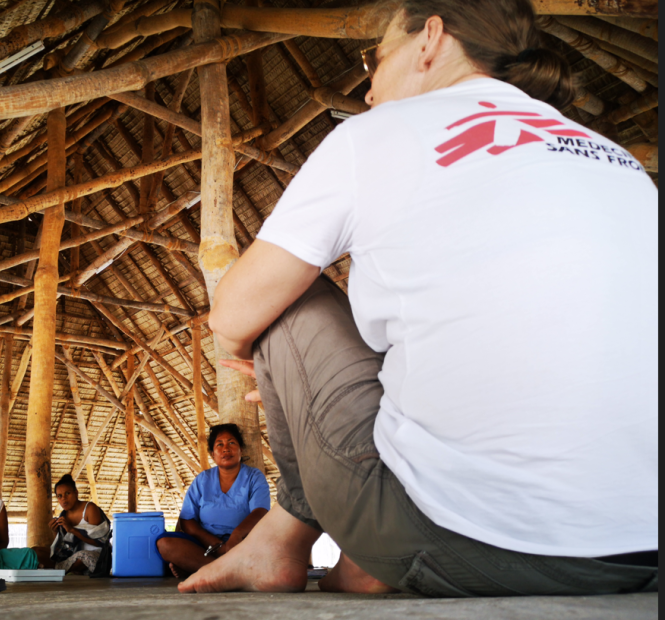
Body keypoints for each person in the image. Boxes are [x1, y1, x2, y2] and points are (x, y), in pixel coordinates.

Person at [180, 0, 658, 598]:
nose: (369, 86)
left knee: (280, 299)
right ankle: (374, 558)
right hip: (644, 547)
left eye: (373, 59)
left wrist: (279, 367)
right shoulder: (618, 160)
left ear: (430, 39)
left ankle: (286, 540)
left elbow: (230, 316)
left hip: (477, 541)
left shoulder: (373, 135)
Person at [156, 424, 270, 577]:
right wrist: (215, 544)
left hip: (243, 543)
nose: (226, 449)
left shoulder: (254, 477)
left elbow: (260, 511)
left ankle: (201, 569)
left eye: (231, 443)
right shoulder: (203, 479)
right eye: (219, 445)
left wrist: (236, 536)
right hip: (206, 547)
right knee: (165, 543)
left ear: (241, 450)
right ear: (212, 454)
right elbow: (187, 520)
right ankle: (229, 573)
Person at [33, 474, 110, 574]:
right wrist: (55, 531)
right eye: (59, 496)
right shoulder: (63, 515)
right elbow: (64, 547)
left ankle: (56, 569)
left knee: (83, 557)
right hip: (71, 556)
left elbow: (100, 542)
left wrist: (72, 530)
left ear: (76, 493)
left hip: (97, 555)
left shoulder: (90, 509)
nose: (63, 499)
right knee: (35, 551)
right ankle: (64, 569)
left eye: (67, 493)